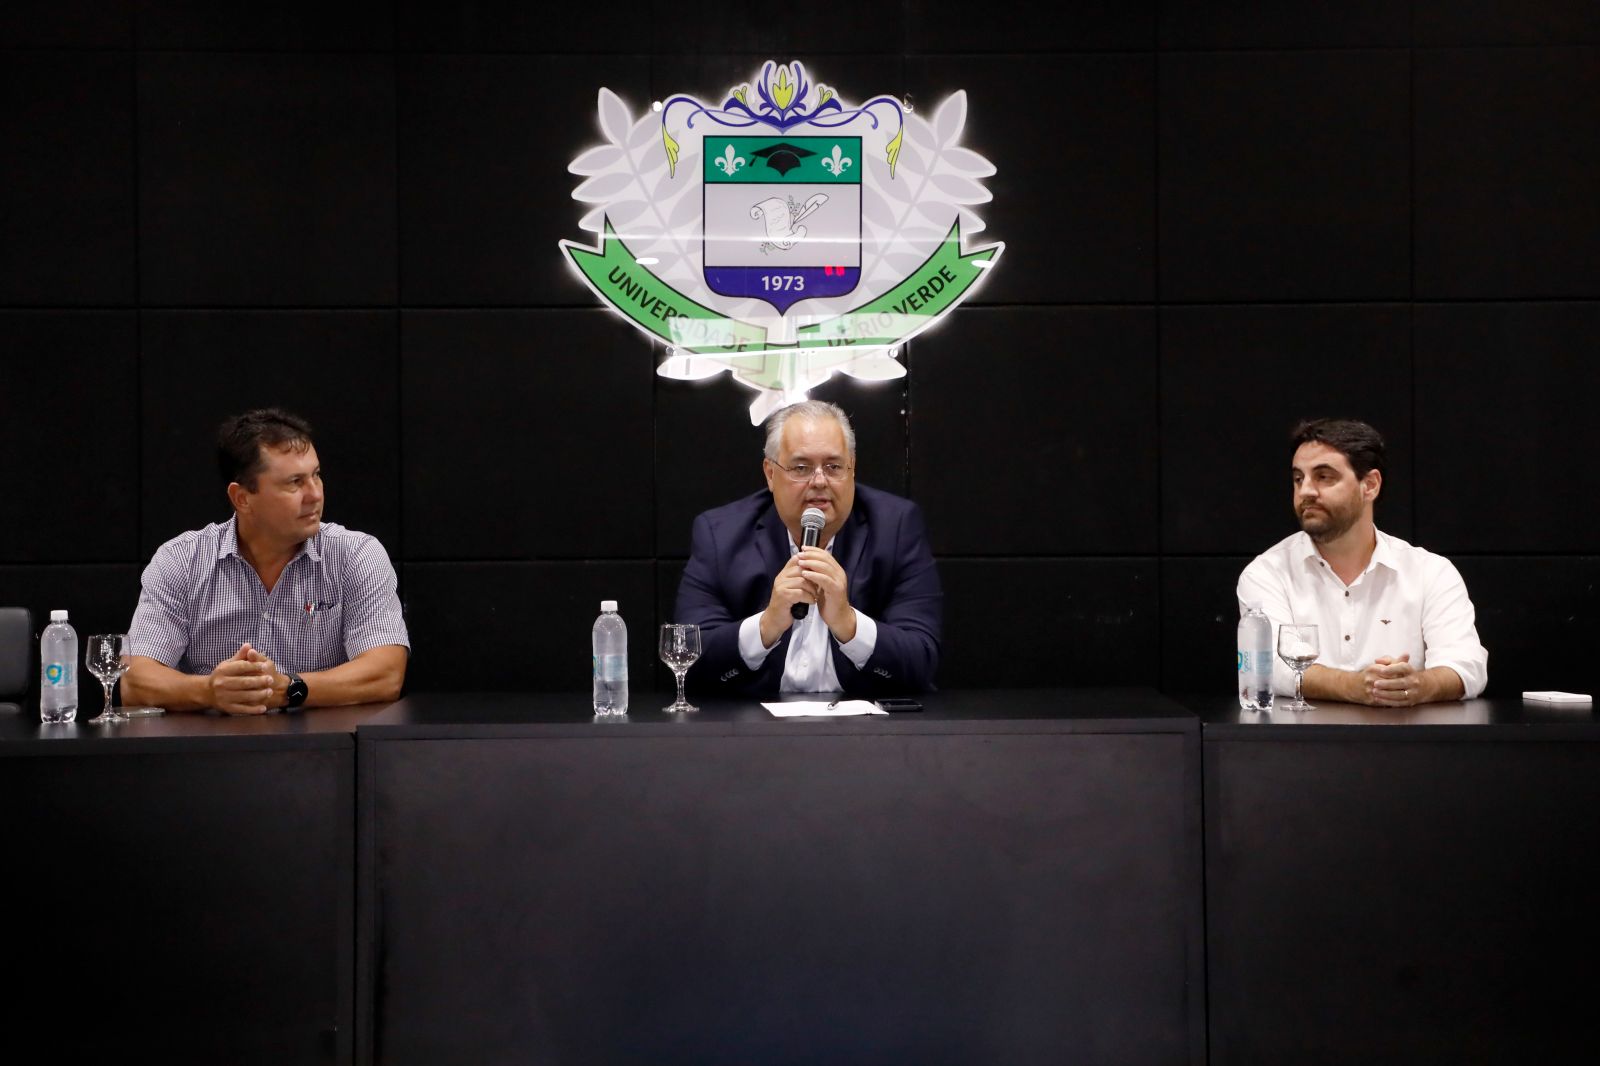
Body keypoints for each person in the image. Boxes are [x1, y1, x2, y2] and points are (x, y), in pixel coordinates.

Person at [124, 409, 409, 714]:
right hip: (212, 741)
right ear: (242, 498)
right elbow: (135, 683)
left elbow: (386, 674)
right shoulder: (181, 560)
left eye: (316, 475)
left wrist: (288, 689)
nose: (315, 495)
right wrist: (209, 691)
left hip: (323, 741)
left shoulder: (356, 555)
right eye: (295, 482)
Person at [675, 400, 941, 697]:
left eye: (833, 467)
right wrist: (766, 625)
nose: (819, 481)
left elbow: (922, 660)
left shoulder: (896, 527)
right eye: (801, 468)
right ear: (770, 474)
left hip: (862, 721)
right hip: (753, 722)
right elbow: (687, 658)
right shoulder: (720, 535)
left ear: (852, 469)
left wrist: (849, 624)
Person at [1237, 418, 1487, 706]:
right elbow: (1267, 667)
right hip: (1303, 735)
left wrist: (1418, 685)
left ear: (1370, 485)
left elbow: (1467, 665)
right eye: (1298, 478)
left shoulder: (1430, 572)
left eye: (1324, 477)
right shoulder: (1267, 573)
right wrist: (1355, 686)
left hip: (1405, 734)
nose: (1306, 491)